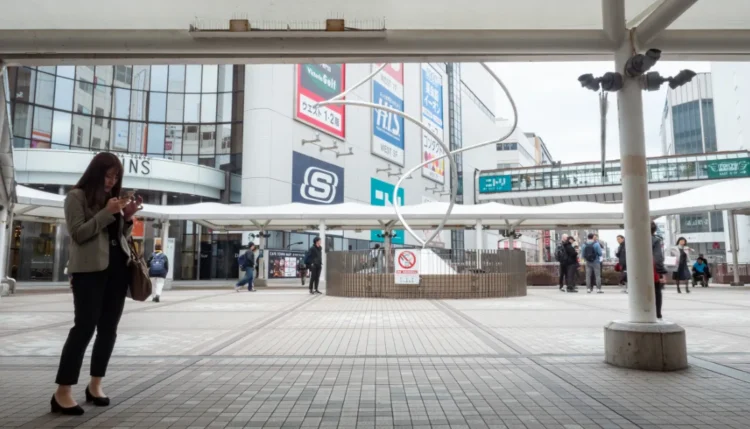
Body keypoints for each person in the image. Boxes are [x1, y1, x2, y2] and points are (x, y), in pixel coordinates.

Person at [52, 152, 143, 415]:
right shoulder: (76, 196)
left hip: (117, 271)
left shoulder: (112, 200)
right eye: (108, 175)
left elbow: (119, 237)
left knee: (108, 329)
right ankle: (62, 391)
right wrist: (107, 212)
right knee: (84, 327)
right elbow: (78, 234)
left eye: (116, 177)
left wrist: (127, 218)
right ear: (96, 172)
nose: (111, 181)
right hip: (89, 272)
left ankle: (95, 385)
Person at [652, 221, 668, 320]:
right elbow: (658, 258)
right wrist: (662, 272)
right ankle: (657, 313)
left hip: (637, 271)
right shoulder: (655, 240)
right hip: (652, 269)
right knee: (657, 291)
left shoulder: (634, 239)